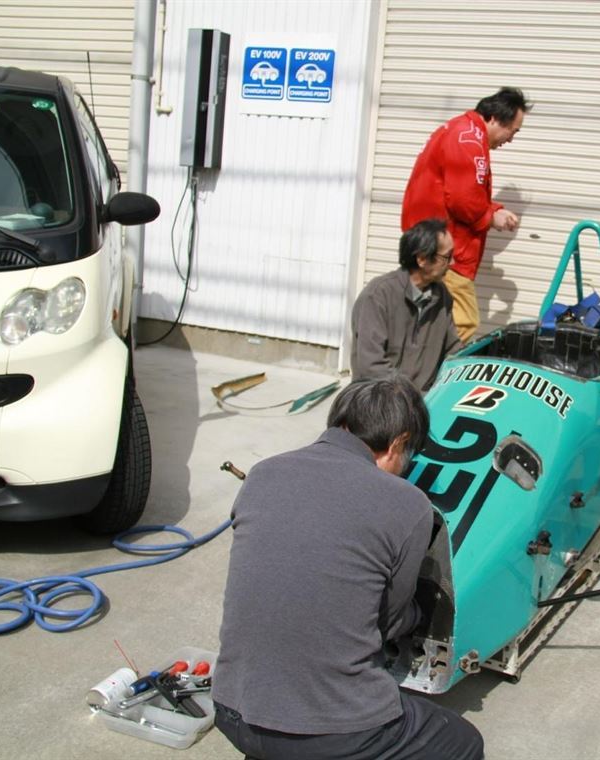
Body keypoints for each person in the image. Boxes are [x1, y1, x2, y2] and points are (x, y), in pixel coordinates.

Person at [212, 377, 485, 760]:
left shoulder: (263, 473)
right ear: (398, 443)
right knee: (464, 743)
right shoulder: (408, 504)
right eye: (409, 454)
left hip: (231, 708)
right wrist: (419, 613)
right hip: (329, 731)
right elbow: (387, 623)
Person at [401, 87, 531, 343]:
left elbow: (461, 189)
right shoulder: (469, 140)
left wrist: (492, 209)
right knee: (462, 322)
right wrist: (490, 217)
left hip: (430, 243)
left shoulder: (459, 130)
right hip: (447, 250)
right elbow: (463, 199)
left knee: (428, 320)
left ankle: (415, 363)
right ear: (495, 119)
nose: (511, 140)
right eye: (513, 131)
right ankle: (433, 368)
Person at [351, 218, 462, 391]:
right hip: (379, 398)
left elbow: (453, 351)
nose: (452, 263)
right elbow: (371, 366)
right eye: (447, 257)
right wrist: (411, 397)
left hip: (423, 400)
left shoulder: (442, 296)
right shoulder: (377, 296)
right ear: (422, 259)